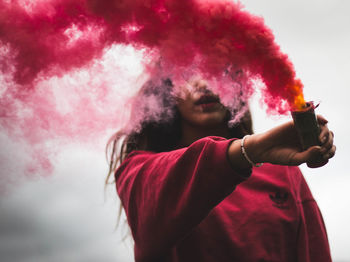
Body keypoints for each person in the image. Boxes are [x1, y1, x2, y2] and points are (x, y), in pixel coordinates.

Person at [107, 76, 336, 262]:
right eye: (187, 72)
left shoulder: (282, 170)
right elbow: (154, 204)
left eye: (218, 71)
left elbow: (314, 251)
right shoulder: (141, 171)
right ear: (167, 93)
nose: (205, 82)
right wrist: (248, 150)